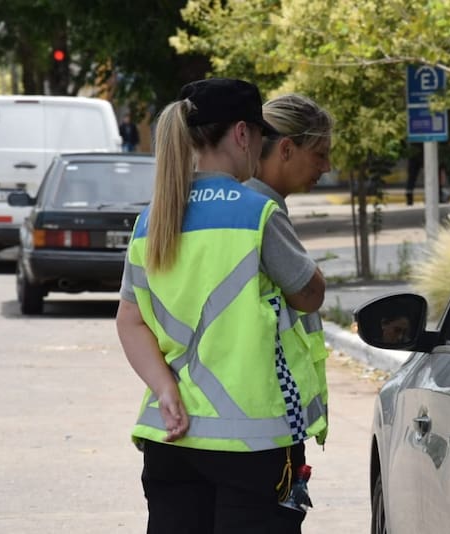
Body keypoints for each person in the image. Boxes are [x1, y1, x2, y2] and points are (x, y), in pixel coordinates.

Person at [115, 77, 327, 533]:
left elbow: (130, 321)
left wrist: (165, 388)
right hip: (254, 446)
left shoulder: (153, 218)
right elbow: (309, 294)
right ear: (243, 133)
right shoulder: (255, 212)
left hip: (170, 438)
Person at [243, 92, 335, 519]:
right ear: (285, 148)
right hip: (266, 420)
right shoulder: (260, 209)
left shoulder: (235, 202)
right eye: (319, 154)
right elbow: (308, 292)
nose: (326, 167)